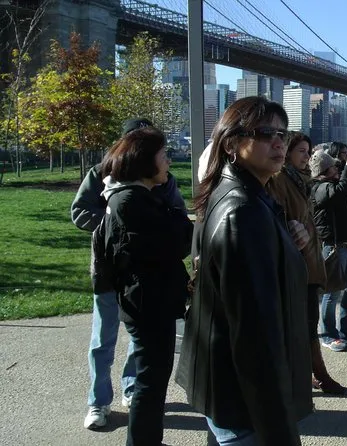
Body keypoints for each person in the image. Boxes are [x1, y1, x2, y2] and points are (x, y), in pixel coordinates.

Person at [175, 97, 313, 446]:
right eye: (266, 133)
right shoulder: (243, 212)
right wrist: (278, 429)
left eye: (282, 134)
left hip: (225, 391)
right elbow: (255, 337)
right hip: (243, 404)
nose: (279, 143)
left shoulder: (242, 197)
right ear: (231, 144)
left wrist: (286, 240)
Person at [71, 118, 186, 430]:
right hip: (110, 272)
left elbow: (177, 214)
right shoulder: (101, 175)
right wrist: (116, 226)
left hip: (144, 279)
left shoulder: (163, 179)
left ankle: (132, 389)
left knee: (140, 342)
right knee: (103, 339)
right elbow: (79, 212)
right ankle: (98, 402)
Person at [99, 126, 193, 445]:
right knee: (150, 382)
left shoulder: (139, 197)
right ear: (144, 161)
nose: (168, 162)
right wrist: (178, 219)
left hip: (151, 301)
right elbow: (175, 242)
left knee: (153, 380)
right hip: (147, 304)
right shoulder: (131, 201)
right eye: (164, 155)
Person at [268, 131, 346, 395]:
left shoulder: (300, 180)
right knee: (303, 327)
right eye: (301, 151)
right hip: (296, 265)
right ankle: (317, 375)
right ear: (288, 152)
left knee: (308, 325)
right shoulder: (280, 180)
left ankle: (308, 374)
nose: (307, 157)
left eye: (309, 152)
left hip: (309, 262)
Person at [311, 149, 347, 352]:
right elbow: (341, 192)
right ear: (324, 170)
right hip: (333, 246)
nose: (338, 168)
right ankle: (328, 334)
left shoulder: (335, 185)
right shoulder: (319, 188)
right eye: (334, 167)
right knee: (332, 292)